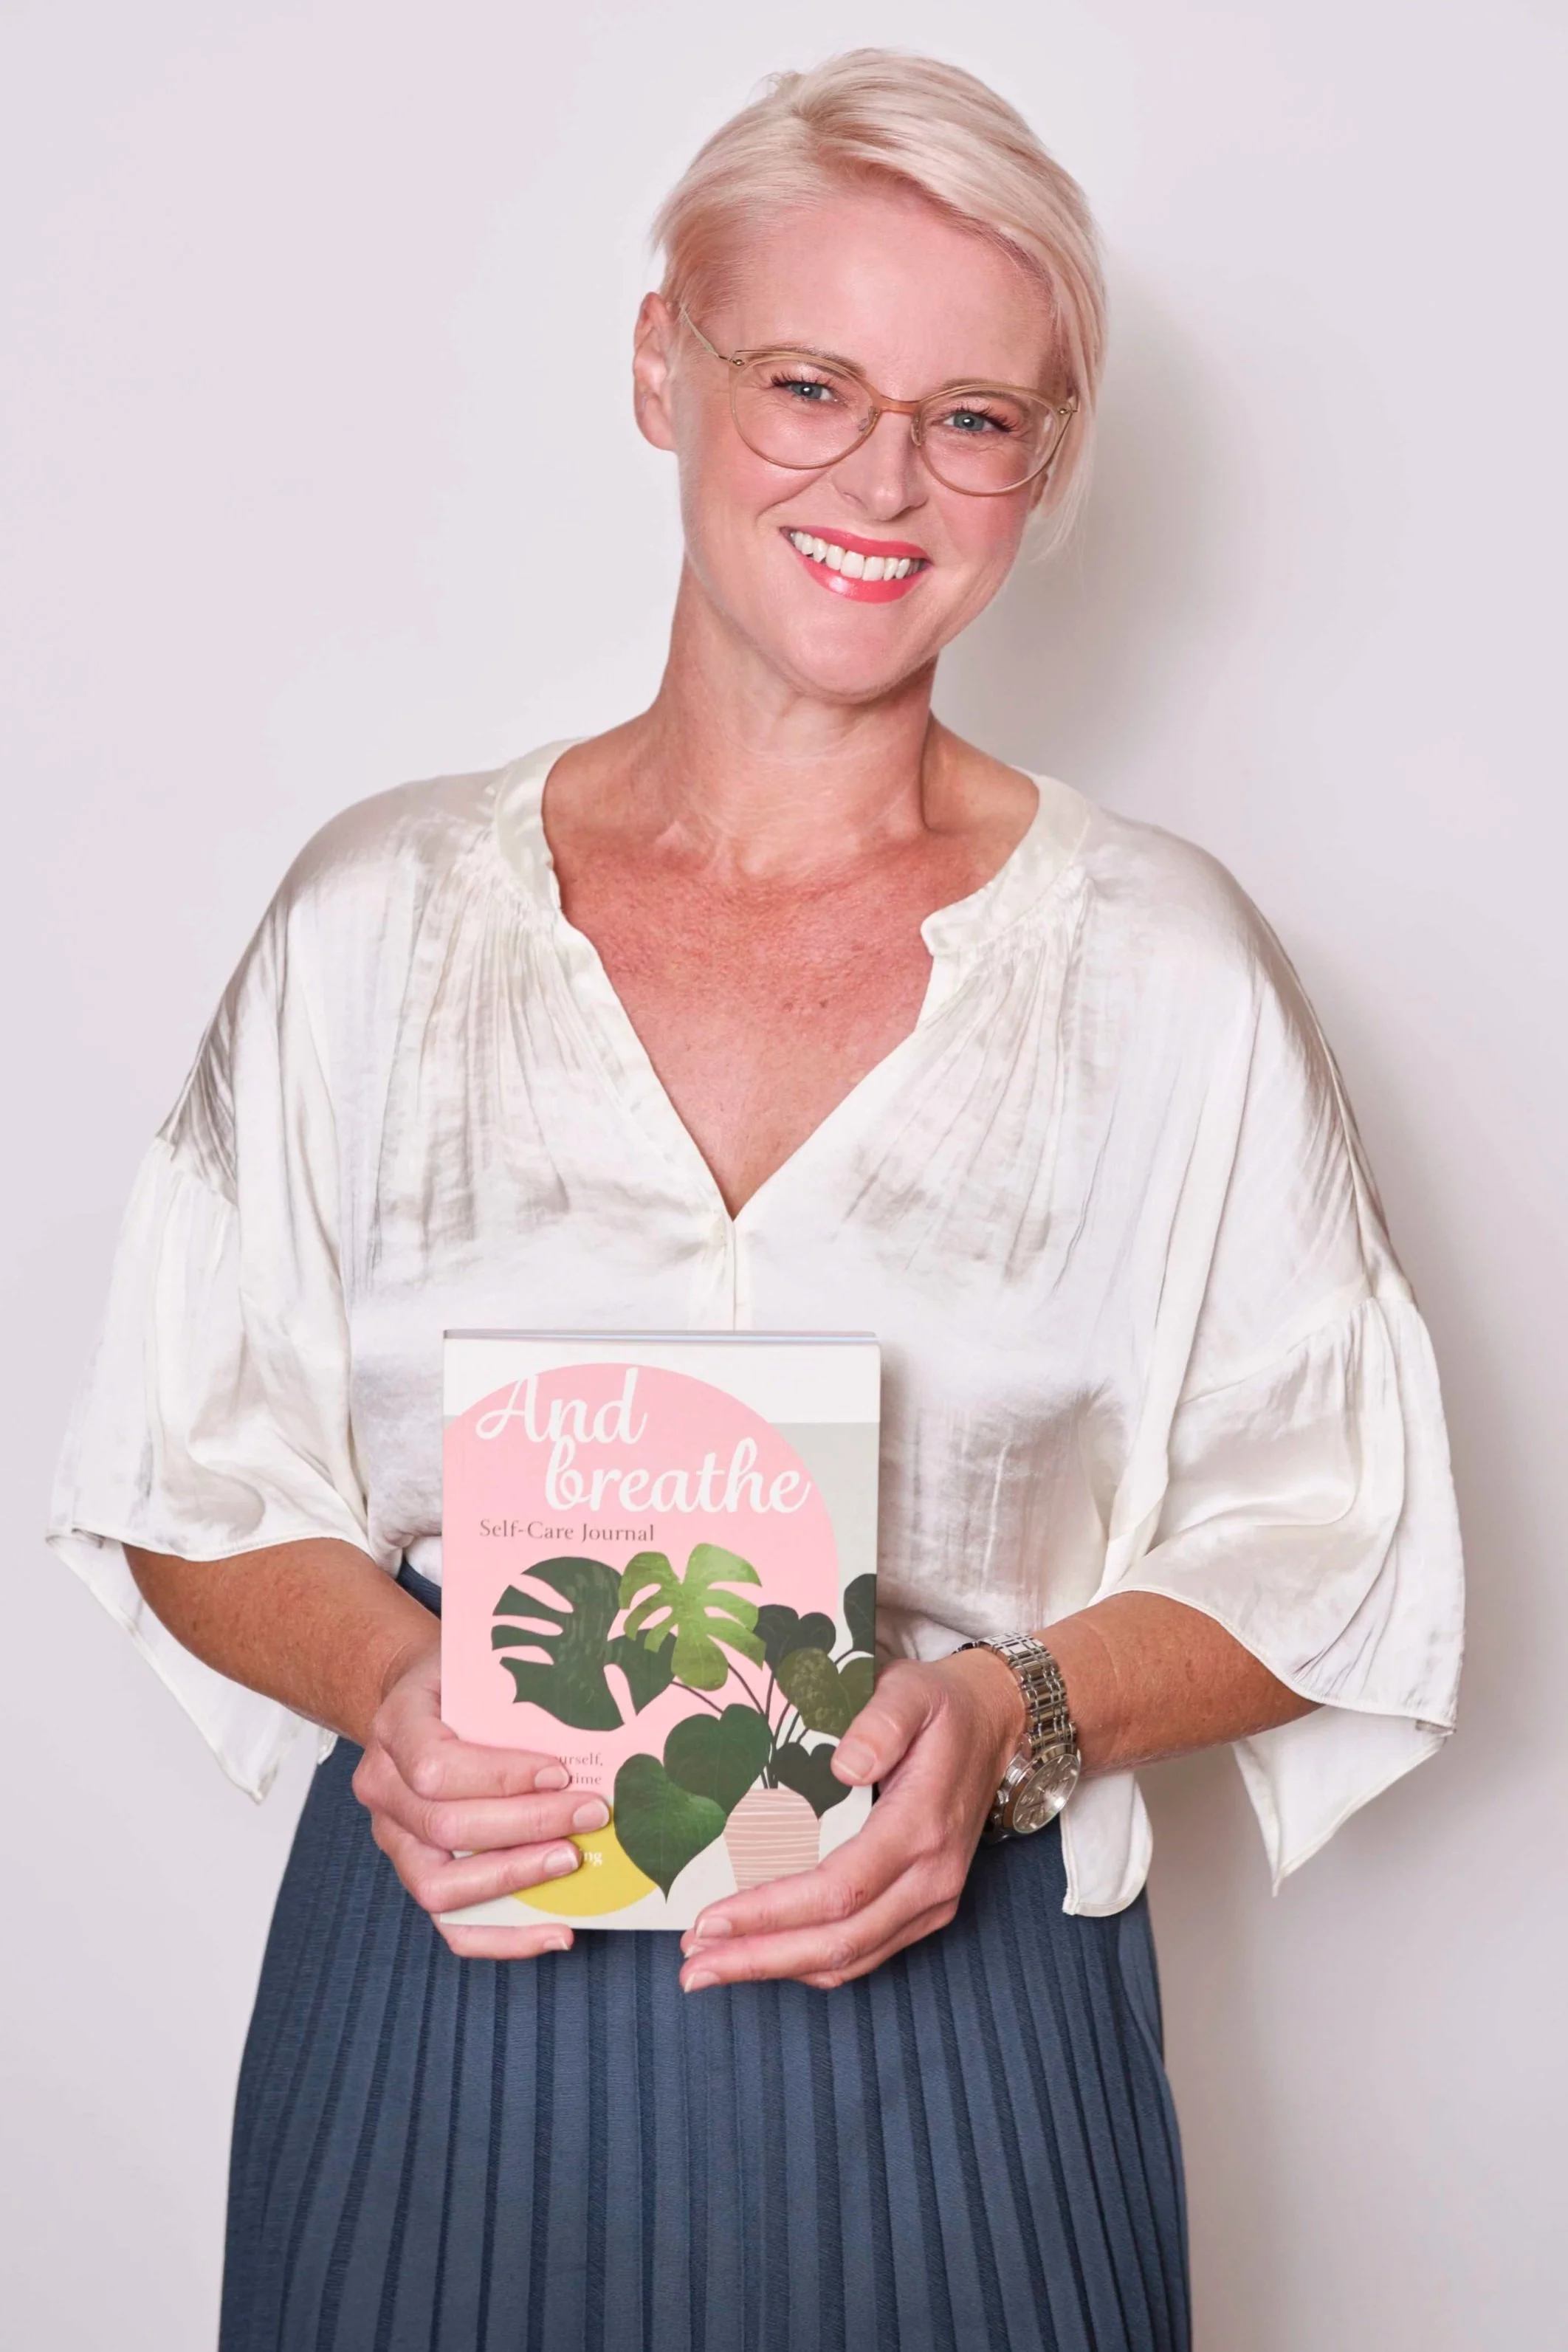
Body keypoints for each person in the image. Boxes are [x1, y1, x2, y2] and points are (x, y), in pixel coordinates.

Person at [49, 49, 1464, 2352]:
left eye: (974, 417)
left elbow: (1341, 1543)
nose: (881, 478)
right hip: (444, 2013)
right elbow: (175, 1471)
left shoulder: (1165, 974)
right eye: (809, 380)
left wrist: (1014, 1715)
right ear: (659, 369)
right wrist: (391, 1679)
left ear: (1045, 468)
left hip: (964, 2038)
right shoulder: (378, 918)